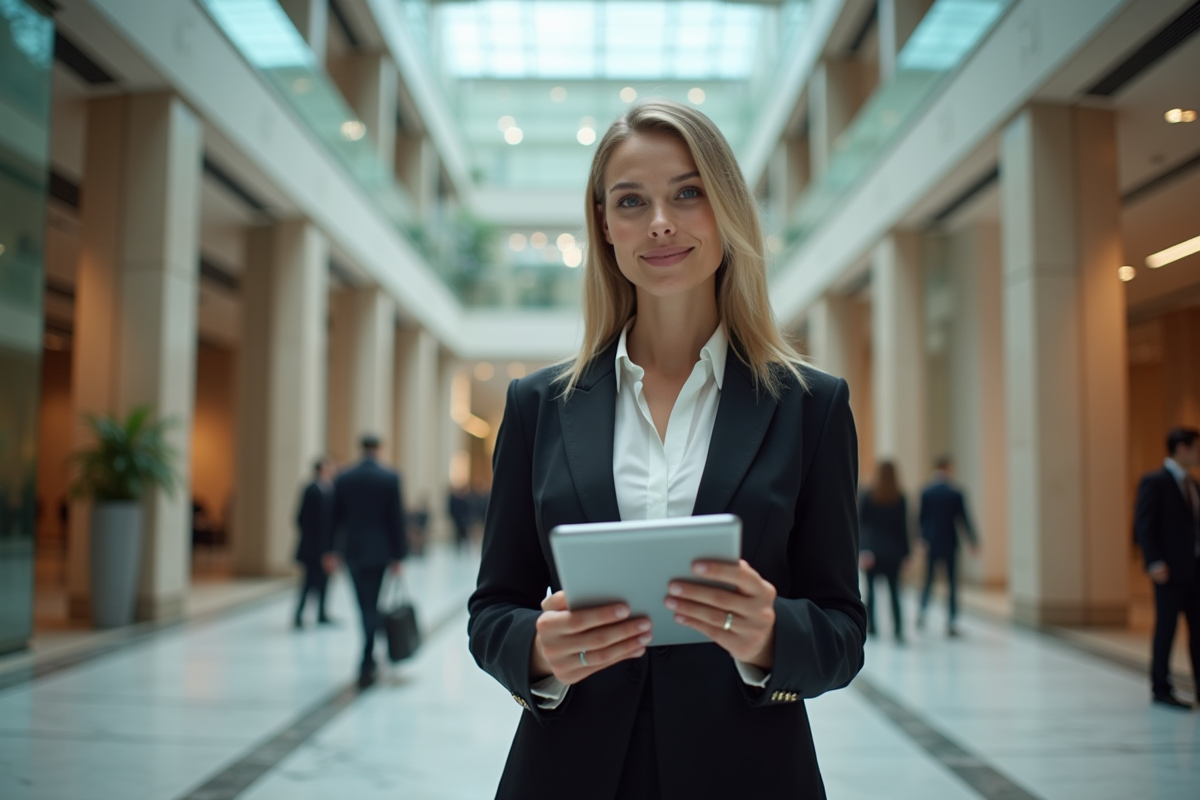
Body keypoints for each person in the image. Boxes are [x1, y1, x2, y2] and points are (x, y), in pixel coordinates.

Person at [467, 99, 865, 800]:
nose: (660, 222)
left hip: (748, 772)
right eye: (631, 201)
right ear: (604, 226)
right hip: (567, 774)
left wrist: (771, 634)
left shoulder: (811, 405)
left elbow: (842, 632)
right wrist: (536, 651)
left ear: (727, 209)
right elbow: (493, 608)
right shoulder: (539, 406)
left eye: (688, 193)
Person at [326, 434, 407, 689]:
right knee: (372, 604)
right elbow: (396, 519)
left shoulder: (344, 477)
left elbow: (333, 518)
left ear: (360, 449)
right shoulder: (390, 477)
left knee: (364, 605)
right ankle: (367, 659)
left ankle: (367, 658)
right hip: (380, 551)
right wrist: (398, 555)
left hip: (352, 550)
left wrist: (330, 550)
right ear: (379, 449)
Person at [1134, 426, 1200, 710]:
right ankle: (1161, 687)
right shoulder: (1155, 481)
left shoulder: (1194, 485)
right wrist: (1154, 561)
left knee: (1198, 631)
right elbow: (1143, 524)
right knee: (1166, 629)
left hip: (1195, 571)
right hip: (1169, 571)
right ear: (1182, 448)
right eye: (1196, 448)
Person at [917, 456, 978, 637]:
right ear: (948, 468)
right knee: (951, 583)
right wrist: (973, 541)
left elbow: (922, 519)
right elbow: (964, 519)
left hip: (931, 542)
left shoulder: (926, 492)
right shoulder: (955, 492)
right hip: (950, 542)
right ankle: (951, 621)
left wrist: (921, 539)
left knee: (928, 580)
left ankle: (922, 612)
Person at [858, 460, 910, 643]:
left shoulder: (869, 495)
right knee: (894, 591)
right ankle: (898, 628)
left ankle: (872, 627)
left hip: (872, 551)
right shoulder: (900, 497)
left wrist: (862, 550)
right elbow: (903, 528)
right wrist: (906, 553)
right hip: (892, 552)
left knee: (870, 591)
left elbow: (861, 525)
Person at [294, 456, 335, 628]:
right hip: (313, 548)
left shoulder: (329, 489)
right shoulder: (312, 489)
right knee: (309, 582)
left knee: (325, 582)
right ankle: (299, 615)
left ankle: (322, 613)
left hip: (325, 547)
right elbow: (301, 518)